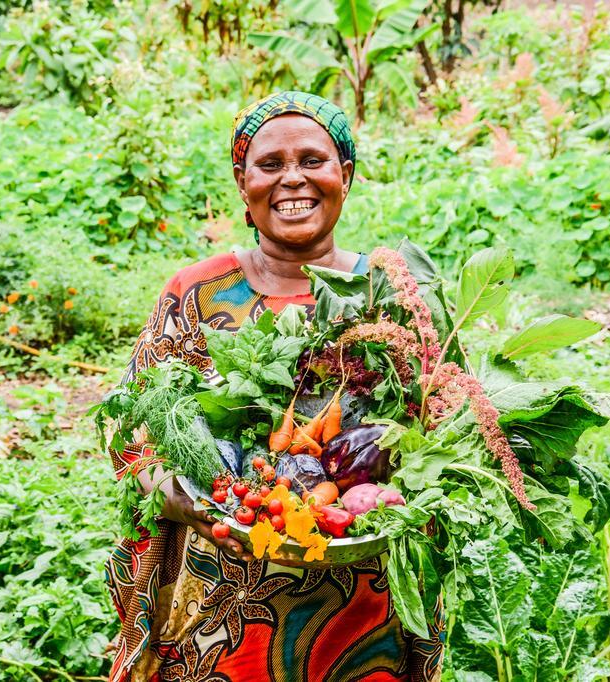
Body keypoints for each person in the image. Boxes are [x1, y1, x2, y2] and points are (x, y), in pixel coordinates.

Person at [105, 91, 444, 682]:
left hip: (364, 603)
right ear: (243, 181)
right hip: (224, 606)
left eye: (313, 160)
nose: (294, 180)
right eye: (270, 164)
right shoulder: (198, 293)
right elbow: (131, 428)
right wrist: (180, 497)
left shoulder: (392, 294)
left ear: (346, 174)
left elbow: (442, 426)